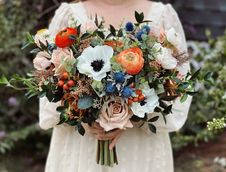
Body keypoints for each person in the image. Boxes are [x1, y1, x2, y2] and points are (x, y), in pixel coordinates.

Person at [39, 0, 192, 171]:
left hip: (138, 146)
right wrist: (84, 115)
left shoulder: (161, 15)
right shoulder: (69, 15)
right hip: (82, 143)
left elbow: (180, 83)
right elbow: (48, 84)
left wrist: (128, 118)